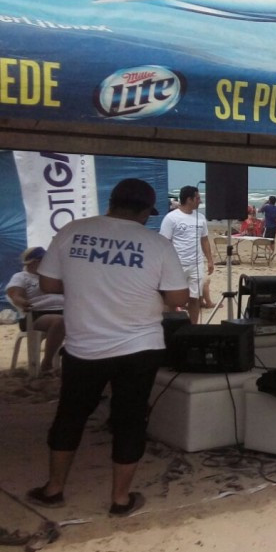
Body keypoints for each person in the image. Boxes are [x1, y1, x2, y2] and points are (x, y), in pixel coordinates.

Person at [25, 178, 188, 516]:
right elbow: (177, 299)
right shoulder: (157, 244)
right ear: (145, 211)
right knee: (130, 420)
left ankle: (54, 489)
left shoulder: (72, 231)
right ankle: (120, 500)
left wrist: (89, 283)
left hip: (85, 345)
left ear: (111, 202)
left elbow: (48, 283)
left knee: (70, 415)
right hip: (140, 346)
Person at [6, 247, 66, 373]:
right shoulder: (22, 276)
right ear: (32, 262)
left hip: (64, 312)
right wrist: (22, 302)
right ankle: (47, 363)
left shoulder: (53, 278)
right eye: (43, 260)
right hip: (36, 316)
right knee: (60, 321)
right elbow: (15, 294)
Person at [159, 185, 214, 323]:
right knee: (172, 299)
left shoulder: (200, 218)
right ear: (189, 199)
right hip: (177, 265)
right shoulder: (171, 218)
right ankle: (169, 326)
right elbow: (164, 242)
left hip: (196, 264)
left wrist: (210, 260)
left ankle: (193, 328)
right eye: (197, 198)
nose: (200, 201)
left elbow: (205, 240)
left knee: (194, 298)